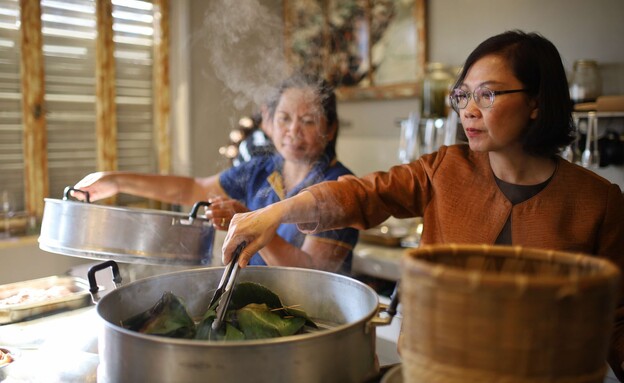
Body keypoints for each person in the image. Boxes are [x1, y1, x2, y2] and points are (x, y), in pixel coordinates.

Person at [222, 31, 624, 378]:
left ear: (536, 101)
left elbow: (616, 320)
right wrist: (276, 212)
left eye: (488, 94)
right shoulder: (445, 168)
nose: (469, 109)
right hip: (434, 368)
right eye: (463, 94)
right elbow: (363, 193)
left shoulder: (597, 202)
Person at [72, 73, 359, 273]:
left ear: (330, 128)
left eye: (308, 121)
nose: (293, 131)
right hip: (256, 307)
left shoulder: (340, 188)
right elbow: (192, 190)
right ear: (269, 122)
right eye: (284, 118)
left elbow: (312, 276)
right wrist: (116, 180)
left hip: (312, 323)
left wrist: (254, 222)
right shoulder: (262, 169)